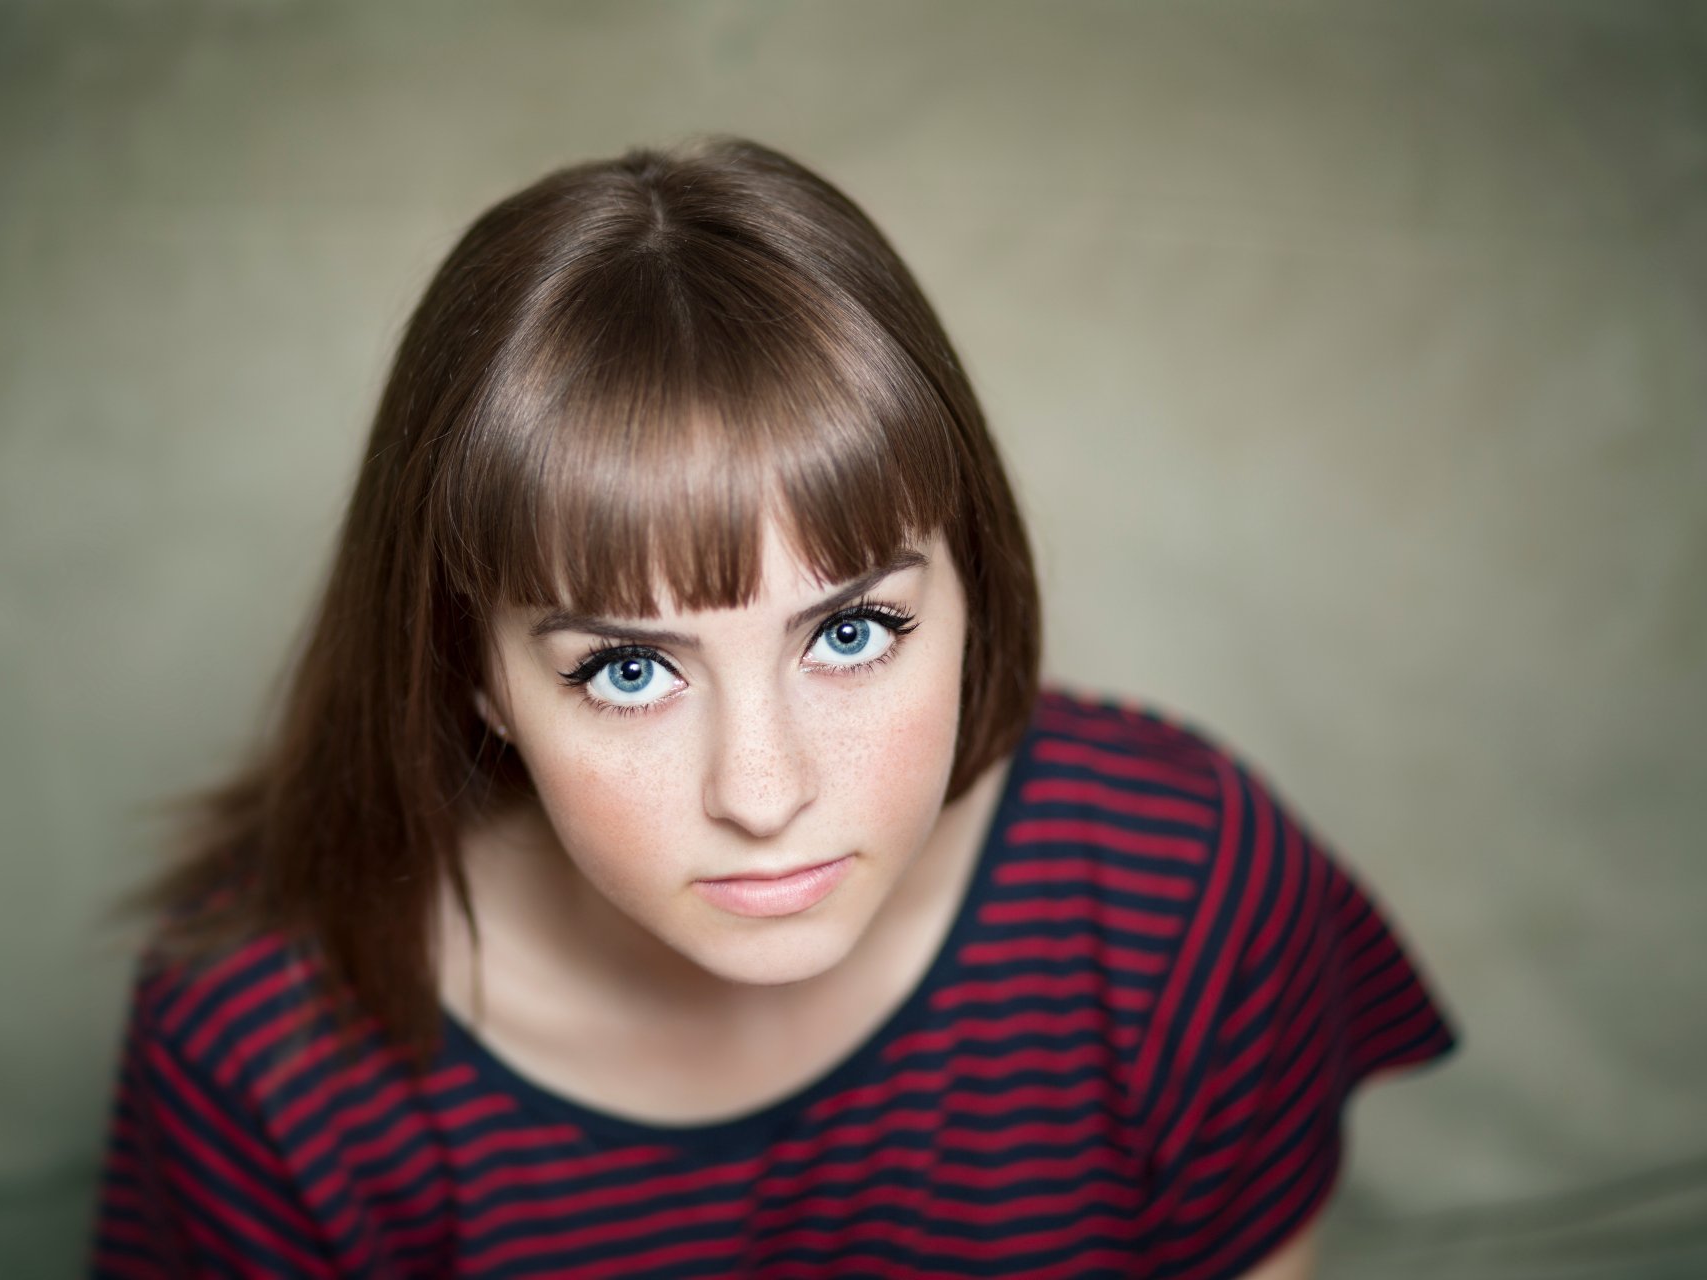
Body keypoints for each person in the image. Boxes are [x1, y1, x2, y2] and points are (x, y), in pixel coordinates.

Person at [88, 135, 1456, 1279]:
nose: (762, 789)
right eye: (628, 669)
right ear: (470, 670)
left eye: (852, 632)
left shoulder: (1179, 887)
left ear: (974, 589)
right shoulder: (262, 1042)